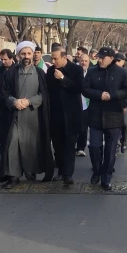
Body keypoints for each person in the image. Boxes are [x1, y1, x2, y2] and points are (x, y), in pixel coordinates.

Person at [0, 42, 54, 188]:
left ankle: (31, 171)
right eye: (23, 54)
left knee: (32, 145)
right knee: (13, 143)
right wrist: (14, 101)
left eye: (29, 54)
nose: (26, 57)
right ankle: (13, 176)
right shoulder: (10, 73)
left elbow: (44, 95)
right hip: (15, 115)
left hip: (33, 115)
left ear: (33, 54)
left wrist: (29, 101)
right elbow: (4, 93)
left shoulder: (40, 73)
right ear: (18, 55)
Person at [82, 47, 127, 190]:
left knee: (110, 151)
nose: (99, 60)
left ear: (111, 58)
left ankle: (106, 178)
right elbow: (85, 89)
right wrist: (99, 95)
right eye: (98, 57)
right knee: (94, 147)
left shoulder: (121, 72)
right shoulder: (92, 72)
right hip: (95, 115)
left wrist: (113, 95)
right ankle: (96, 171)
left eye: (102, 58)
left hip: (114, 116)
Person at [47, 48, 84, 186]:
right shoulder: (50, 71)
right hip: (56, 115)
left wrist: (63, 79)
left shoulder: (76, 70)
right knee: (58, 146)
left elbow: (79, 87)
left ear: (64, 58)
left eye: (56, 58)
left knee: (69, 146)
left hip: (71, 115)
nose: (53, 61)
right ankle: (61, 171)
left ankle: (68, 175)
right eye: (52, 58)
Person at [0, 49, 15, 155]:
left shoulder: (17, 70)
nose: (3, 62)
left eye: (5, 59)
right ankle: (1, 145)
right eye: (2, 60)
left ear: (11, 58)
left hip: (12, 104)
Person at [114, 52, 127, 154]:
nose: (116, 62)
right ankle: (116, 143)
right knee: (114, 124)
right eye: (115, 60)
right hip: (113, 101)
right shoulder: (110, 71)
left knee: (125, 123)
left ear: (123, 62)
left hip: (125, 101)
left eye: (119, 61)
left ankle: (124, 140)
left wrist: (126, 104)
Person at [75, 53, 91, 158]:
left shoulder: (91, 73)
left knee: (83, 128)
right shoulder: (74, 72)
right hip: (74, 104)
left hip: (86, 105)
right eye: (82, 61)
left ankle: (80, 148)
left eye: (85, 61)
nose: (83, 63)